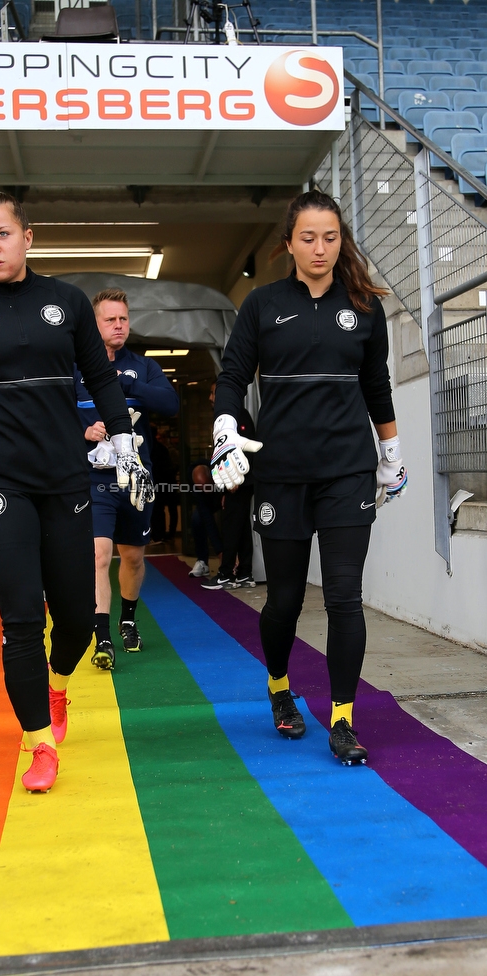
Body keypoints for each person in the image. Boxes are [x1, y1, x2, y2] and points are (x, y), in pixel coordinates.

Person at [0, 192, 152, 794]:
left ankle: (58, 687)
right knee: (19, 621)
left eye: (3, 233)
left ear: (27, 237)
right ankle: (40, 745)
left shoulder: (64, 303)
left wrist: (123, 440)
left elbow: (99, 376)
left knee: (72, 618)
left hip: (63, 478)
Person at [211, 190, 407, 766]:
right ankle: (279, 689)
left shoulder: (364, 307)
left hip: (347, 470)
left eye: (330, 237)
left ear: (339, 240)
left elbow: (377, 386)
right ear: (288, 243)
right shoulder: (263, 304)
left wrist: (390, 449)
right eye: (308, 237)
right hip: (283, 473)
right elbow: (232, 374)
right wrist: (225, 423)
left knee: (346, 598)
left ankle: (342, 719)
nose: (320, 248)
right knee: (287, 601)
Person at [75, 289, 178, 669]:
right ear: (94, 325)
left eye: (123, 319)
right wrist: (82, 432)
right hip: (95, 478)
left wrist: (125, 383)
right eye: (109, 320)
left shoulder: (144, 367)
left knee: (132, 558)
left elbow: (171, 404)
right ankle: (102, 636)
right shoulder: (74, 368)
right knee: (99, 554)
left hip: (137, 479)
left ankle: (128, 619)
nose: (118, 326)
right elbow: (54, 417)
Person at [202, 381, 256, 590]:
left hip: (240, 481)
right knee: (241, 527)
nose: (211, 398)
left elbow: (244, 449)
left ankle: (226, 573)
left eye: (213, 393)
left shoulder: (237, 418)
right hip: (236, 482)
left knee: (232, 526)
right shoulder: (229, 419)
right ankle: (244, 573)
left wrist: (234, 482)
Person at [187, 461, 222, 578]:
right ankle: (202, 561)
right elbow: (207, 519)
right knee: (197, 519)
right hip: (207, 503)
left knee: (231, 518)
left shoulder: (218, 470)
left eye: (206, 486)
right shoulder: (195, 486)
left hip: (224, 495)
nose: (205, 490)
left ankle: (236, 560)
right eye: (201, 487)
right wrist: (219, 552)